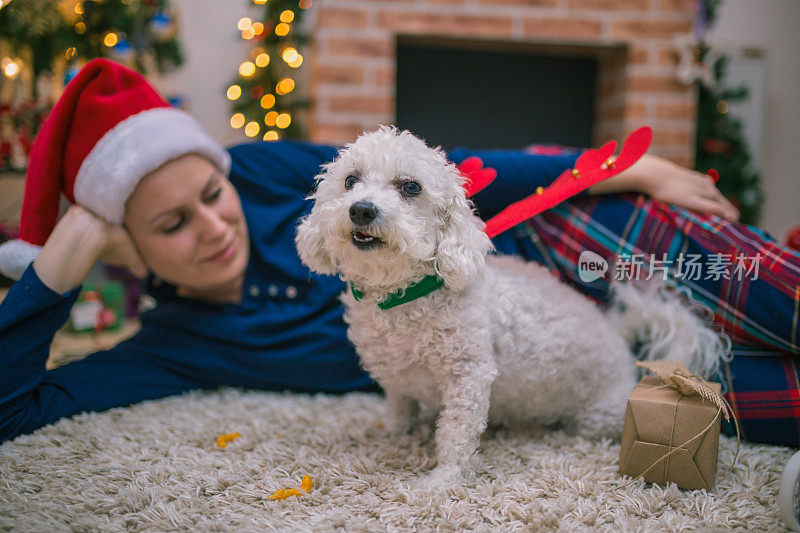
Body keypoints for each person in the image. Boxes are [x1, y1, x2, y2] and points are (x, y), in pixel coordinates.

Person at [0, 59, 797, 447]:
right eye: (171, 225)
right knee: (742, 404)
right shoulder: (173, 347)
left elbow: (470, 172)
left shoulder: (274, 171)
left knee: (776, 298)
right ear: (128, 248)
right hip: (562, 365)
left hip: (555, 229)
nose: (214, 226)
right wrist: (64, 253)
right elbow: (12, 410)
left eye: (213, 194)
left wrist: (631, 167)